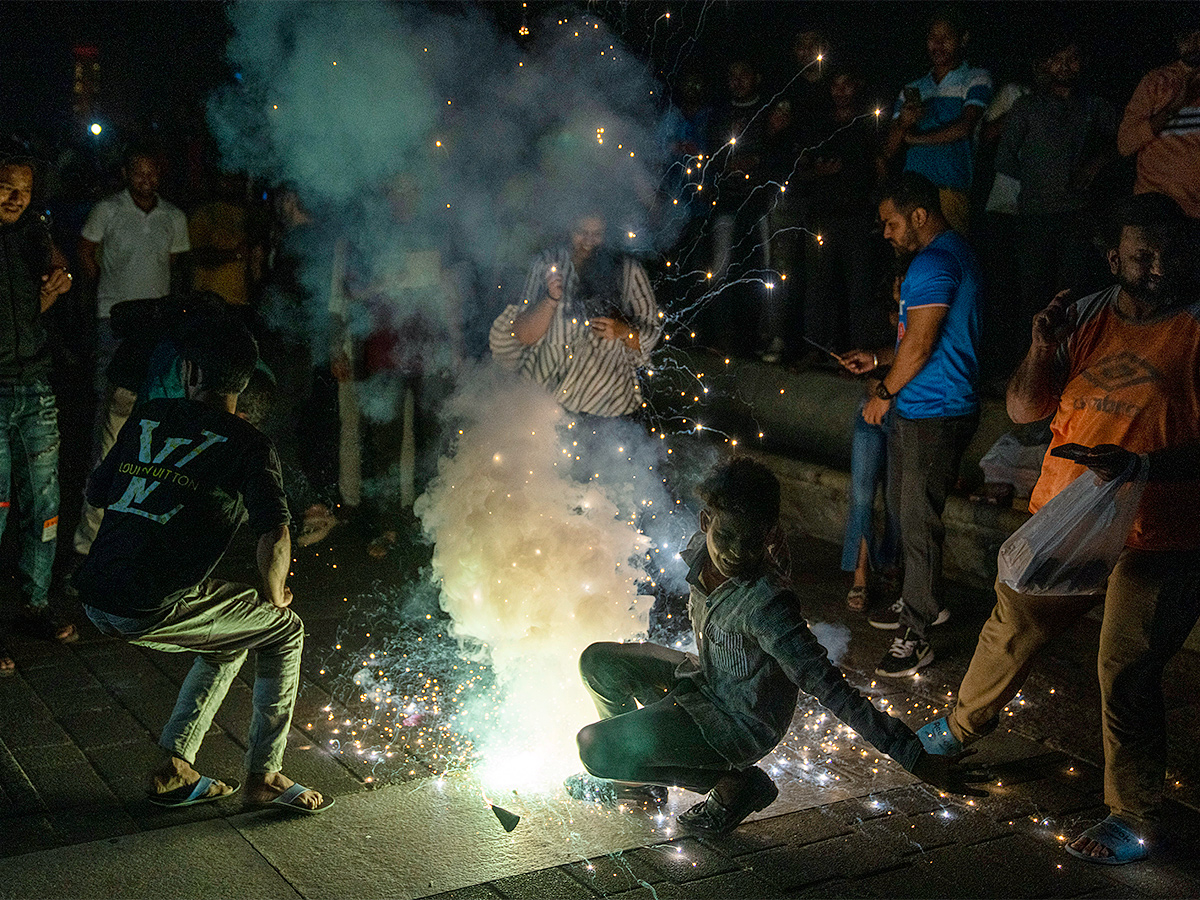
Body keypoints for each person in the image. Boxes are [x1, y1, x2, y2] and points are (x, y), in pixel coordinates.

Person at [917, 192, 1200, 865]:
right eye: (1143, 253)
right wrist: (1043, 347)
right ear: (1113, 257)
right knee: (1013, 625)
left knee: (1126, 667)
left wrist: (1142, 465)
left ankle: (1133, 813)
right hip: (1070, 517)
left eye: (1173, 251)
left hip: (1163, 528)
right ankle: (955, 731)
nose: (1160, 265)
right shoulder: (1086, 315)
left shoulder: (1193, 327)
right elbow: (1023, 408)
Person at [566, 457, 981, 833]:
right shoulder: (700, 554)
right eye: (725, 536)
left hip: (738, 723)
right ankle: (637, 783)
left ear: (767, 534)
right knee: (598, 662)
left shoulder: (767, 604)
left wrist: (914, 756)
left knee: (595, 747)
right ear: (706, 519)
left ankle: (735, 784)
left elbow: (832, 688)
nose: (735, 553)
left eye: (751, 542)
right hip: (702, 681)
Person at [75, 320, 332, 814]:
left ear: (190, 371)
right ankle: (266, 776)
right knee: (284, 629)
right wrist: (277, 596)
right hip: (147, 604)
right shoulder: (249, 443)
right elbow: (276, 534)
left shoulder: (150, 414)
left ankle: (175, 770)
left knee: (236, 631)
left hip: (93, 593)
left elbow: (96, 492)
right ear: (244, 383)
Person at [840, 172, 982, 677]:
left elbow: (921, 347)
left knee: (918, 524)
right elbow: (914, 341)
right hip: (922, 407)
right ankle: (919, 599)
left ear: (919, 215)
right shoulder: (947, 254)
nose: (886, 233)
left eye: (891, 222)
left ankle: (916, 635)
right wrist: (879, 359)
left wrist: (883, 392)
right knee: (907, 512)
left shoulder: (935, 260)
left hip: (935, 411)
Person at [75, 148, 190, 557]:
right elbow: (86, 252)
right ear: (127, 174)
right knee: (110, 423)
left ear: (159, 174)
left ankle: (140, 527)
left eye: (151, 172)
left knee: (154, 423)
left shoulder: (174, 217)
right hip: (115, 322)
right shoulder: (107, 210)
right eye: (138, 172)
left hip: (157, 326)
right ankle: (91, 540)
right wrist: (102, 290)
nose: (145, 179)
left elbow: (177, 269)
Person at [0, 156, 78, 664]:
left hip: (34, 387)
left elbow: (45, 289)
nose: (15, 198)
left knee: (44, 506)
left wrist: (58, 279)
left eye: (23, 190)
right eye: (5, 187)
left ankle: (35, 603)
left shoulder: (31, 234)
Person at [995, 33, 1118, 337]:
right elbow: (1005, 157)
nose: (1064, 66)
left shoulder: (1093, 107)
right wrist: (1038, 178)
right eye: (1057, 59)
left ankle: (1068, 361)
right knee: (1033, 295)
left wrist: (1097, 163)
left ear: (1083, 63)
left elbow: (1125, 140)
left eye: (1072, 58)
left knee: (1072, 295)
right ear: (1046, 64)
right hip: (1034, 216)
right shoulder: (1027, 106)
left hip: (1077, 214)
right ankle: (1032, 362)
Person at [489, 213, 661, 418]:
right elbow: (523, 335)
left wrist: (623, 331)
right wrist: (551, 300)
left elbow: (652, 334)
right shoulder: (548, 262)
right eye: (581, 232)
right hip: (542, 406)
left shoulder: (628, 270)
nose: (589, 240)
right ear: (569, 227)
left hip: (605, 408)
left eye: (597, 234)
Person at [882, 5, 992, 234]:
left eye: (946, 37)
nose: (938, 44)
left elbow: (965, 127)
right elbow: (889, 150)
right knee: (909, 264)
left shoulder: (976, 77)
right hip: (911, 195)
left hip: (951, 190)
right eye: (933, 37)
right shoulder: (912, 88)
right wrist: (904, 123)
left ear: (963, 39)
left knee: (947, 261)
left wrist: (915, 138)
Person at [1117, 18, 1200, 218]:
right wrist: (1173, 109)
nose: (1191, 42)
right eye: (1185, 36)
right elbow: (1125, 144)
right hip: (1156, 208)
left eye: (1197, 35)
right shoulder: (1156, 82)